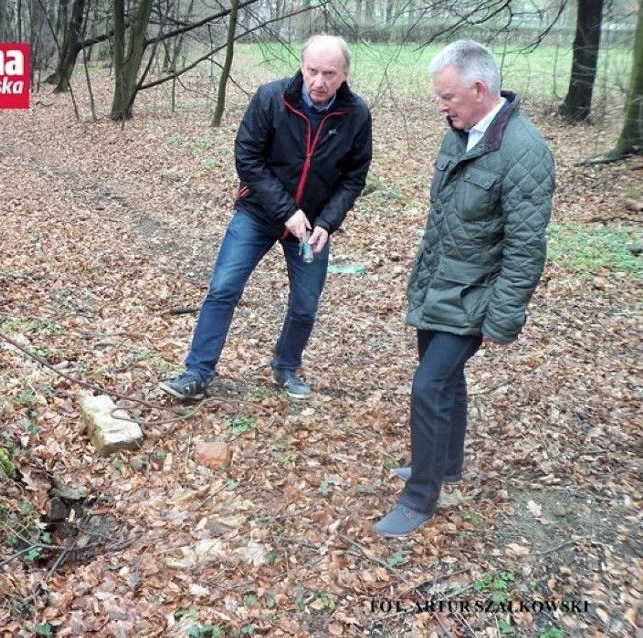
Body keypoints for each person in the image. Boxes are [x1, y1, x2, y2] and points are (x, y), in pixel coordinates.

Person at [373, 40, 555, 537]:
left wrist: (502, 317)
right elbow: (444, 221)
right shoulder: (459, 133)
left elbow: (525, 247)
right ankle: (444, 464)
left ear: (478, 89)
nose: (441, 105)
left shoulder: (524, 151)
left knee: (428, 386)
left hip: (475, 298)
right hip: (440, 288)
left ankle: (419, 499)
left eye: (448, 96)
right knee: (444, 382)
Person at [159, 34, 373, 401]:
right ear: (302, 66)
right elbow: (248, 159)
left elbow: (354, 177)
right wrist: (286, 210)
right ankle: (197, 372)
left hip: (312, 225)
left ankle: (285, 367)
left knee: (305, 305)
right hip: (258, 213)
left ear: (344, 74)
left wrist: (326, 222)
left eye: (329, 73)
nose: (318, 82)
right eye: (312, 71)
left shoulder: (356, 114)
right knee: (224, 289)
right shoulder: (272, 98)